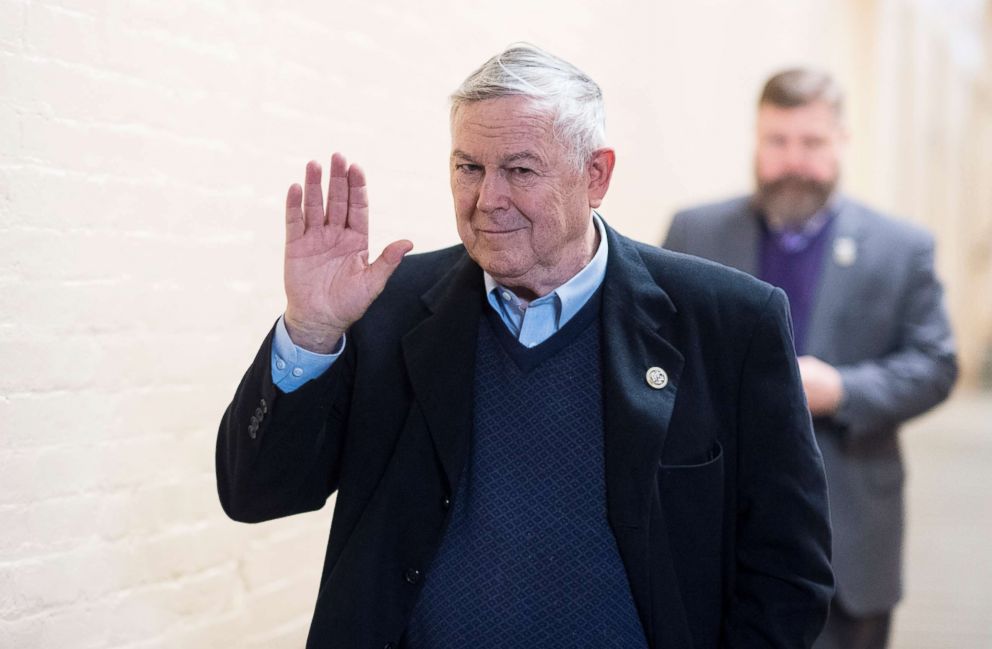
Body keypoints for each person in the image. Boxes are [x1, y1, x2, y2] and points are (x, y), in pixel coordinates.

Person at [218, 46, 833, 649]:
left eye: (520, 170)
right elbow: (258, 493)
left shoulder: (728, 323)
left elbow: (789, 574)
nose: (488, 200)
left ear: (596, 175)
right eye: (469, 168)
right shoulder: (387, 304)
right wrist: (312, 330)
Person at [663, 68, 957, 649]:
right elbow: (653, 346)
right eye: (777, 141)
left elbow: (935, 362)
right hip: (712, 529)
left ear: (842, 141)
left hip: (847, 536)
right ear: (755, 139)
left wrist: (842, 391)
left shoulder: (903, 249)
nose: (793, 160)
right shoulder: (694, 233)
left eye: (812, 142)